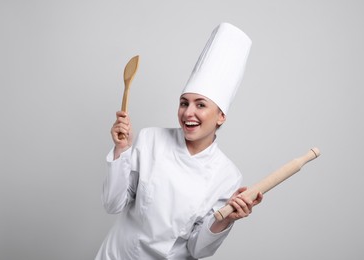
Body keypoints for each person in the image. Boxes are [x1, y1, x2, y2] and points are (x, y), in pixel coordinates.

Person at [95, 22, 263, 260]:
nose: (187, 113)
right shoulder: (150, 139)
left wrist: (226, 218)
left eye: (200, 105)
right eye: (184, 103)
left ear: (221, 116)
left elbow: (198, 249)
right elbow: (112, 204)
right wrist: (122, 149)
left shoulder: (227, 175)